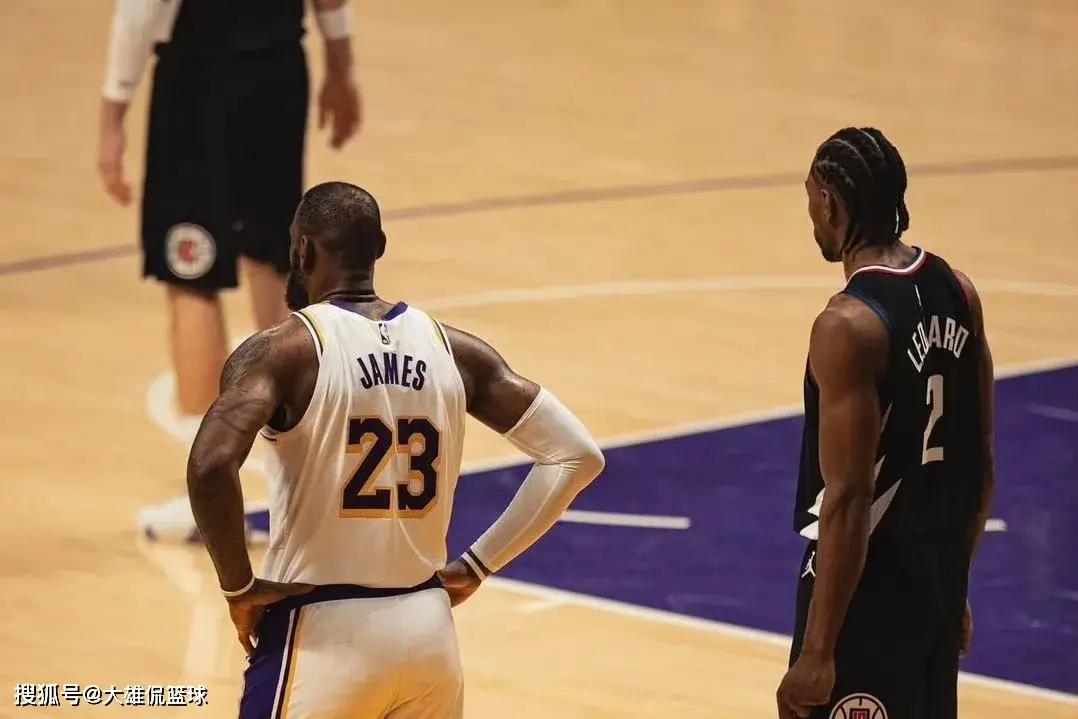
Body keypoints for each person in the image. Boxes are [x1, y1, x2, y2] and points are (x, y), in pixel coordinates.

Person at [186, 182, 605, 718]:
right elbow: (575, 454)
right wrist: (477, 565)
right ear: (379, 248)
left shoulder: (282, 353)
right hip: (427, 630)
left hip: (320, 629)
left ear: (303, 250)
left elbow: (210, 465)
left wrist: (239, 588)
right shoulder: (454, 350)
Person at [776, 128, 995, 718]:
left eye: (811, 200)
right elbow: (977, 464)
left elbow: (849, 498)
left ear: (830, 204)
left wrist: (819, 651)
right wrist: (954, 583)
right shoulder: (959, 291)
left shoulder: (847, 325)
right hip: (935, 578)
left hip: (867, 595)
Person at [98, 0, 361, 416]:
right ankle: (295, 438)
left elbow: (141, 8)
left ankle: (204, 447)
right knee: (276, 258)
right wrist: (340, 65)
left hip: (196, 78)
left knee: (192, 269)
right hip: (278, 70)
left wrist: (113, 115)